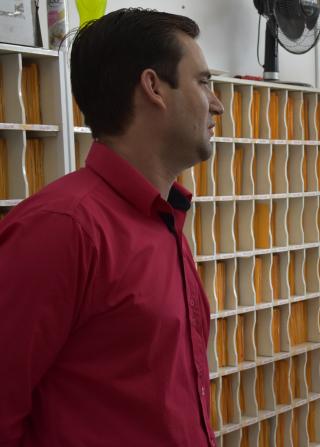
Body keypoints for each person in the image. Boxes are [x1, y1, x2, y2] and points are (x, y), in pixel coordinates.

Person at [0, 8, 223, 446]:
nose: (216, 103)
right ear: (153, 87)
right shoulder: (62, 228)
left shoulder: (164, 219)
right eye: (203, 82)